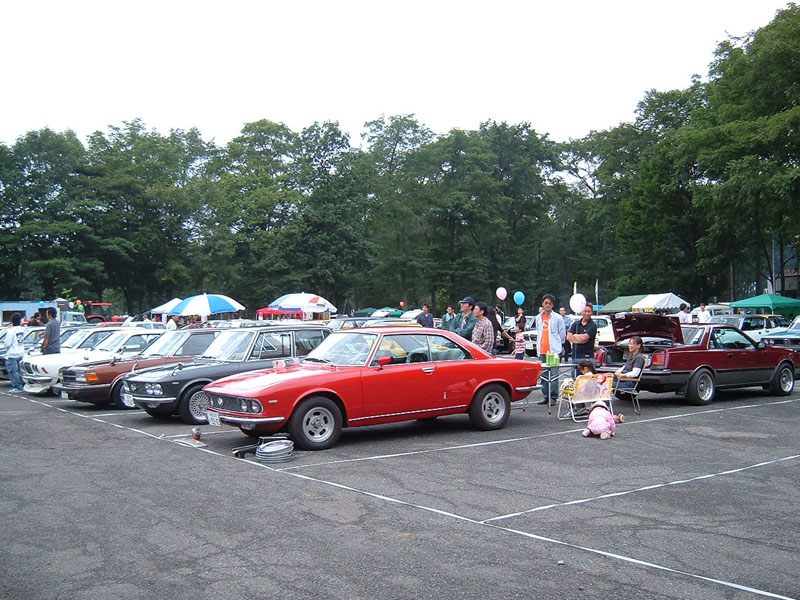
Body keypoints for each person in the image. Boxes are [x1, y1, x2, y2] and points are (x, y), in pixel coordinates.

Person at [534, 294, 566, 405]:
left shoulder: (557, 317)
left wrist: (558, 346)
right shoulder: (538, 318)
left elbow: (562, 334)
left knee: (554, 375)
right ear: (542, 304)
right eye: (546, 303)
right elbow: (539, 332)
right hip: (542, 350)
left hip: (554, 351)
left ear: (553, 305)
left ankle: (553, 397)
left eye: (550, 303)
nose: (547, 305)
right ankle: (546, 396)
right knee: (543, 375)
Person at [4, 313, 26, 392]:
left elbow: (7, 343)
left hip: (13, 353)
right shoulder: (22, 329)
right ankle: (22, 385)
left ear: (12, 321)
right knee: (20, 371)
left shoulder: (11, 331)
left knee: (13, 371)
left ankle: (17, 387)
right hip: (21, 352)